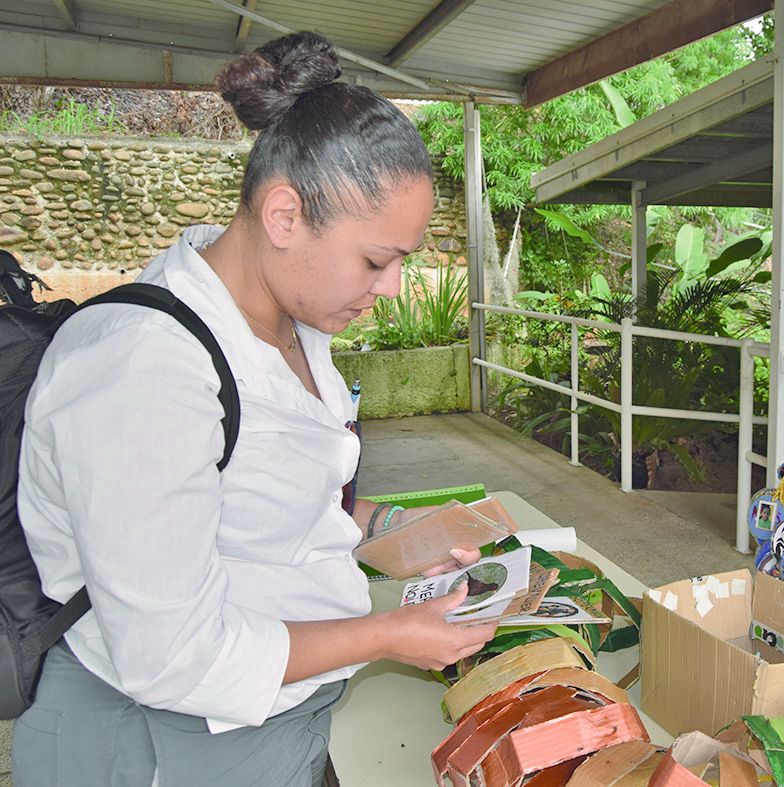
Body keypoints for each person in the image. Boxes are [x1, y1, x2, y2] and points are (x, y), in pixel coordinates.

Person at [13, 32, 496, 786]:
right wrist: (389, 633)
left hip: (277, 710)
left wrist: (395, 532)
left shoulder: (290, 320)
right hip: (168, 742)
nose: (394, 288)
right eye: (378, 260)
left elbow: (268, 505)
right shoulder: (143, 372)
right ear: (283, 216)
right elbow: (172, 652)